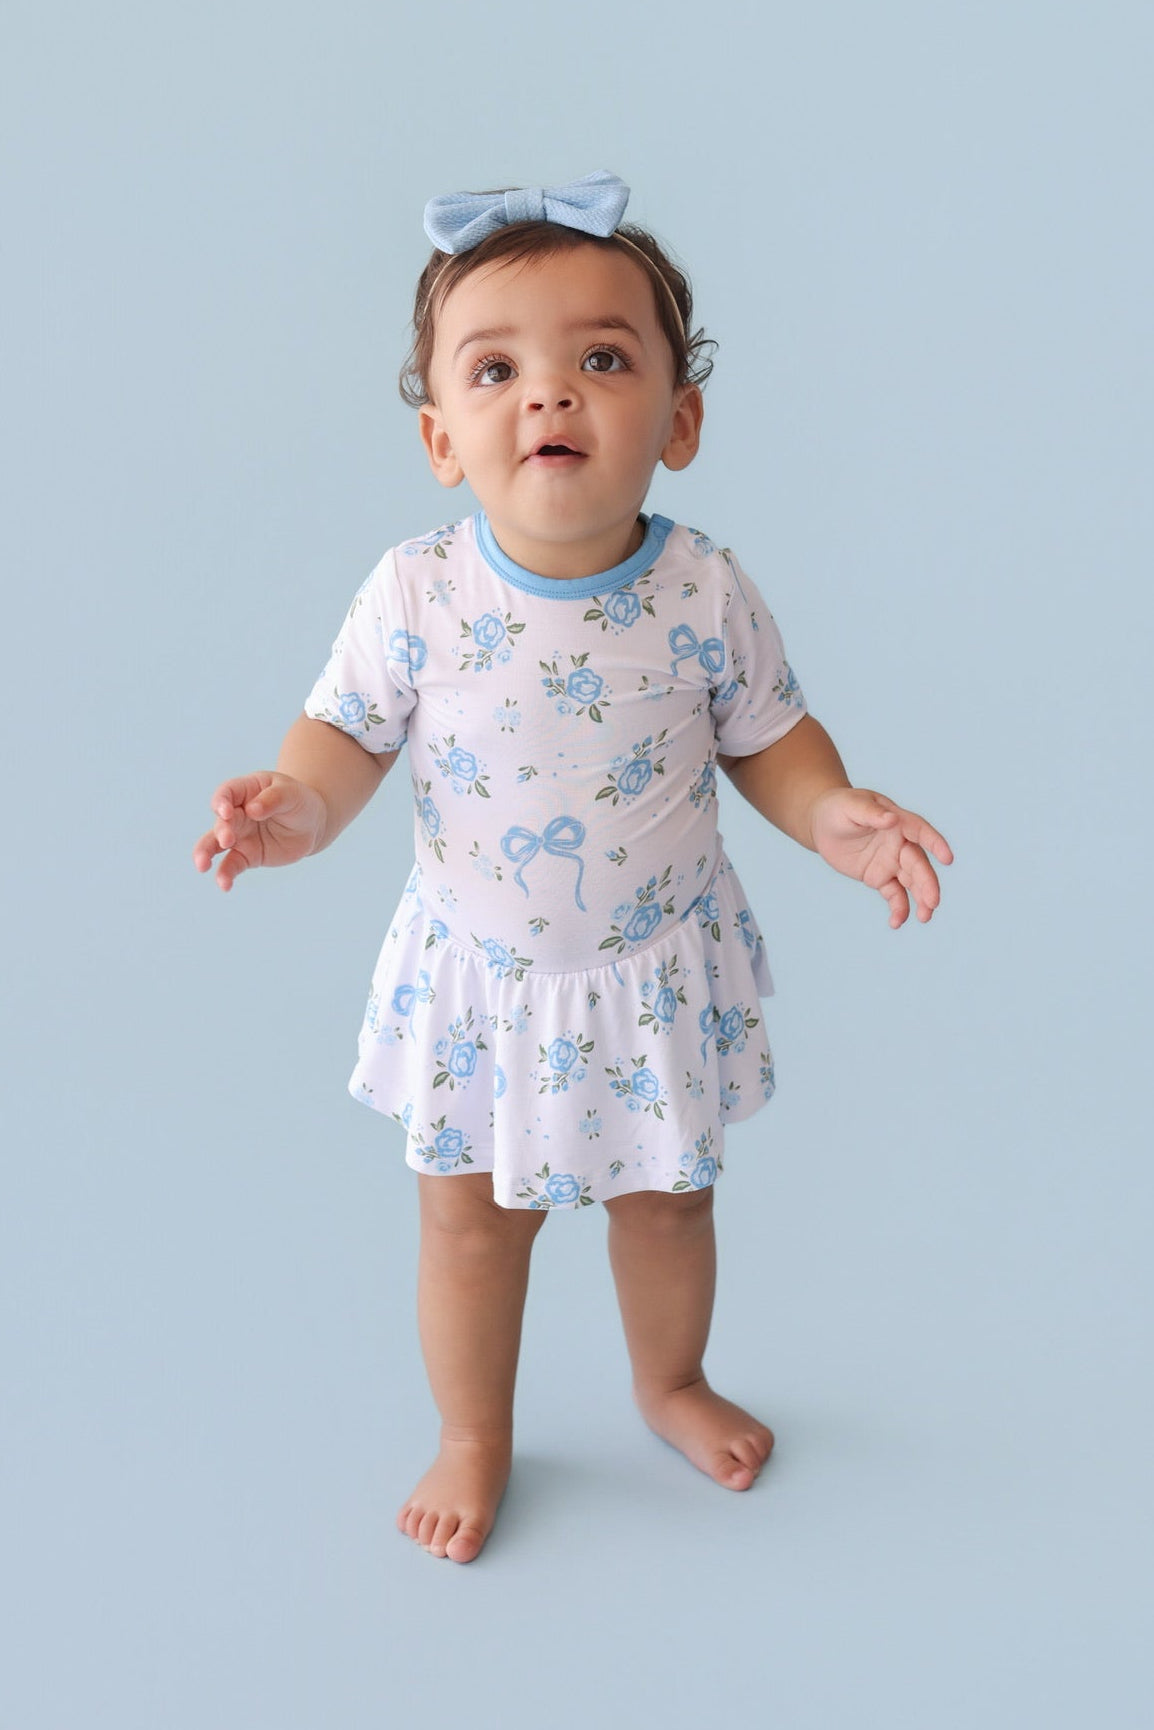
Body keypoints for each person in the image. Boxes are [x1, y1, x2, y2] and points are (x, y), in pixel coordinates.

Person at [192, 171, 954, 1565]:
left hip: (648, 977)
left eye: (602, 359)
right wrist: (295, 805)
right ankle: (472, 1432)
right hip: (483, 983)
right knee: (469, 1227)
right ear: (442, 437)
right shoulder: (419, 591)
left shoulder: (703, 588)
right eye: (497, 370)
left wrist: (831, 808)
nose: (549, 394)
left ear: (681, 421)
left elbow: (769, 737)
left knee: (669, 1205)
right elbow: (346, 737)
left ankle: (669, 1381)